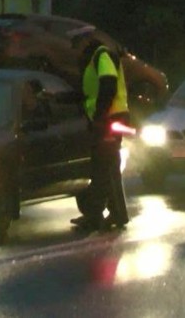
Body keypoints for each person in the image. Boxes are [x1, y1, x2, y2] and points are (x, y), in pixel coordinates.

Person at [68, 27, 130, 231]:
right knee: (109, 166)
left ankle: (95, 216)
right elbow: (89, 93)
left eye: (76, 44)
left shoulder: (102, 55)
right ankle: (117, 214)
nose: (74, 49)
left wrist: (100, 115)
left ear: (85, 41)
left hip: (109, 119)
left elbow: (108, 84)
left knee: (102, 168)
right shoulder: (94, 59)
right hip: (108, 118)